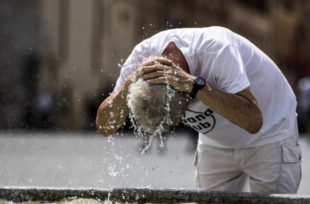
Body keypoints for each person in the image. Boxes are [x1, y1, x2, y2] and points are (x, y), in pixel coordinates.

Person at [96, 26, 302, 194]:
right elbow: (105, 127)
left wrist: (195, 85)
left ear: (186, 96)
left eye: (176, 119)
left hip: (270, 131)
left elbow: (254, 121)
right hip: (216, 140)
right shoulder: (140, 59)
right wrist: (127, 87)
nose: (177, 124)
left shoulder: (217, 49)